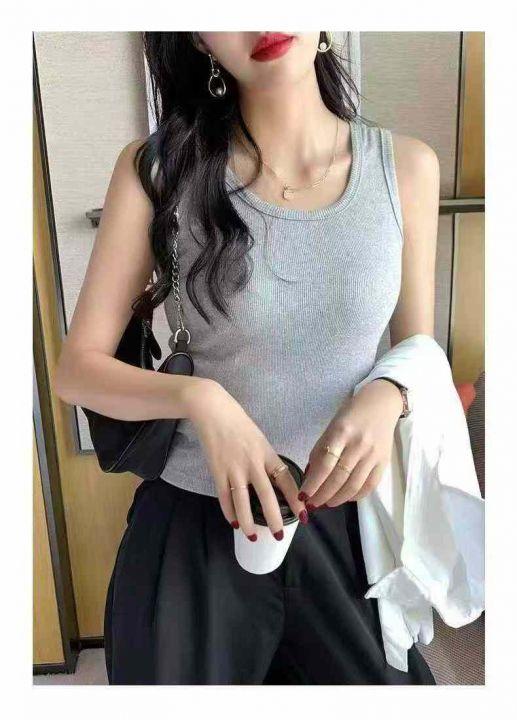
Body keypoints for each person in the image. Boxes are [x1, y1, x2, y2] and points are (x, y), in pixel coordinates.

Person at [53, 31, 439, 685]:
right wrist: (201, 400)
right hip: (195, 524)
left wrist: (390, 393)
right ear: (199, 38)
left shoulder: (405, 167)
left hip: (344, 524)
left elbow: (416, 351)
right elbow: (76, 370)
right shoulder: (159, 169)